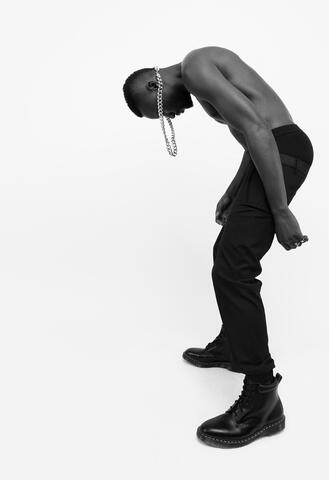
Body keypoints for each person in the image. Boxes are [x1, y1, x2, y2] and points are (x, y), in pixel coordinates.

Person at [122, 46, 314, 448]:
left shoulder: (196, 65)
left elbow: (260, 131)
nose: (170, 117)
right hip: (270, 154)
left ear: (154, 85)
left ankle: (262, 396)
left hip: (283, 151)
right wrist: (234, 189)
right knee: (225, 253)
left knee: (235, 266)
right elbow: (249, 134)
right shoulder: (199, 75)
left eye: (161, 112)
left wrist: (280, 210)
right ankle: (233, 344)